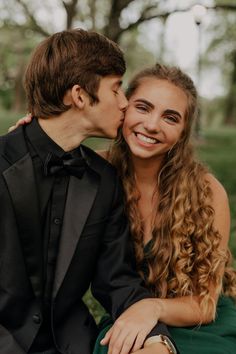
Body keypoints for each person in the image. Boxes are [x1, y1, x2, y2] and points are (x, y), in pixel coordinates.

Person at [0, 31, 178, 354]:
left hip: (73, 344)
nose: (125, 103)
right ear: (79, 96)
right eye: (116, 88)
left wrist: (157, 339)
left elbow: (117, 280)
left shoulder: (105, 180)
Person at [92, 63, 236, 354]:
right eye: (143, 108)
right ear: (124, 108)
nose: (152, 124)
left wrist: (154, 307)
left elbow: (205, 304)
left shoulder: (207, 192)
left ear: (183, 132)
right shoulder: (94, 171)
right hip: (127, 315)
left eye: (170, 118)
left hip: (198, 325)